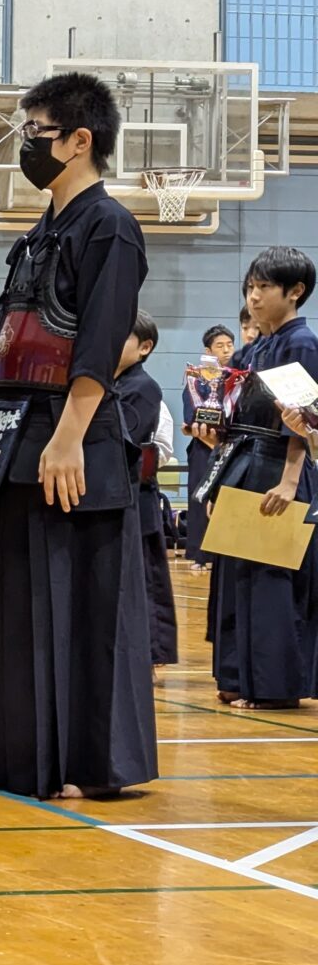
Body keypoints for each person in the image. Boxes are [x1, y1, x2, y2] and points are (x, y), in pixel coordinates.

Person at [0, 71, 158, 799]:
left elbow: (97, 341)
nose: (26, 147)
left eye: (37, 134)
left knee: (74, 607)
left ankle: (78, 761)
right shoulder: (40, 232)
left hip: (70, 440)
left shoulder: (110, 227)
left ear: (80, 141)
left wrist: (67, 438)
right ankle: (15, 751)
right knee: (12, 603)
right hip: (15, 433)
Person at [204, 248, 318, 711]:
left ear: (295, 292)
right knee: (237, 577)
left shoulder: (301, 344)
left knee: (271, 580)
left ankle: (272, 686)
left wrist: (291, 481)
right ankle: (236, 677)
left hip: (279, 467)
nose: (254, 296)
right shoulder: (255, 348)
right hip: (244, 463)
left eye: (264, 287)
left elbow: (305, 421)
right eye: (250, 287)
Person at [116, 311, 178, 676]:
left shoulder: (142, 387)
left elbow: (127, 442)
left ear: (145, 347)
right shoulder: (113, 383)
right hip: (119, 495)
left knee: (145, 579)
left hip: (138, 497)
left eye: (121, 337)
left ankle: (149, 656)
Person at [182, 323, 236, 569]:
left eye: (229, 345)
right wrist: (211, 439)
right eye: (220, 346)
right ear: (208, 350)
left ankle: (224, 556)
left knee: (226, 500)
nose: (226, 350)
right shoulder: (196, 380)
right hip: (203, 448)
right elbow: (191, 417)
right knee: (200, 499)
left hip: (230, 448)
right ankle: (199, 555)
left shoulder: (236, 378)